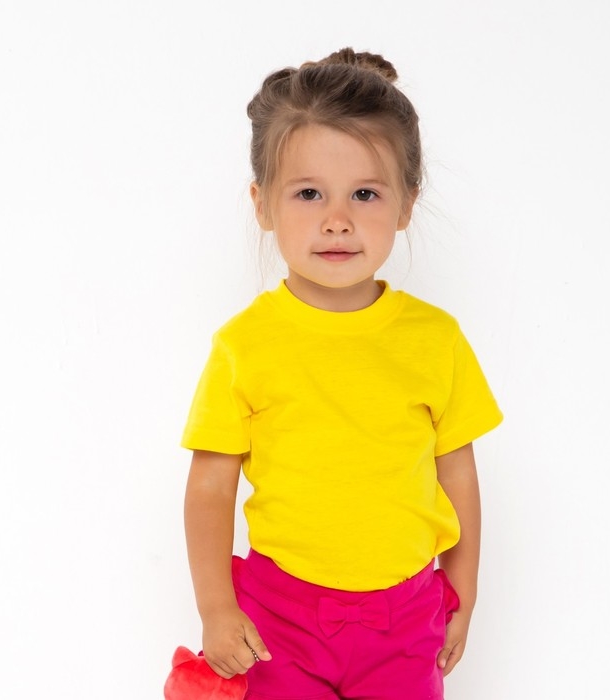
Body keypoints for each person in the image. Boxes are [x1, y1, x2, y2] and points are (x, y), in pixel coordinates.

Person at [181, 47, 503, 700]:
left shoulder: (435, 340)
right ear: (262, 204)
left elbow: (458, 473)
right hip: (279, 621)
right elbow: (211, 485)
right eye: (308, 193)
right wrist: (216, 608)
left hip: (406, 620)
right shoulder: (244, 345)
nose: (337, 219)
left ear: (407, 203)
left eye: (365, 193)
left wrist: (464, 590)